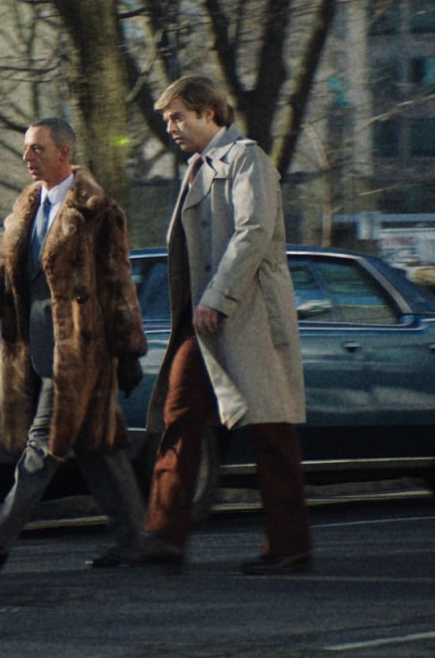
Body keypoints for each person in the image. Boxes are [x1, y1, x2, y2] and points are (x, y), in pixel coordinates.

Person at [123, 76, 313, 575]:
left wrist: (216, 299)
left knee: (271, 430)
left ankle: (289, 545)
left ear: (209, 112)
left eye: (178, 117)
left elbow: (253, 233)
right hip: (203, 321)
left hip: (244, 315)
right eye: (167, 119)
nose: (171, 128)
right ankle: (163, 535)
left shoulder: (247, 158)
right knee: (177, 417)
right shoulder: (196, 168)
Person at [0, 117, 149, 571]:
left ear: (64, 153)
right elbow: (7, 278)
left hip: (79, 350)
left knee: (44, 441)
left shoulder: (97, 209)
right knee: (100, 446)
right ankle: (138, 538)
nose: (26, 158)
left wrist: (129, 349)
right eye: (26, 149)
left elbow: (117, 282)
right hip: (33, 348)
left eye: (37, 149)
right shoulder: (28, 207)